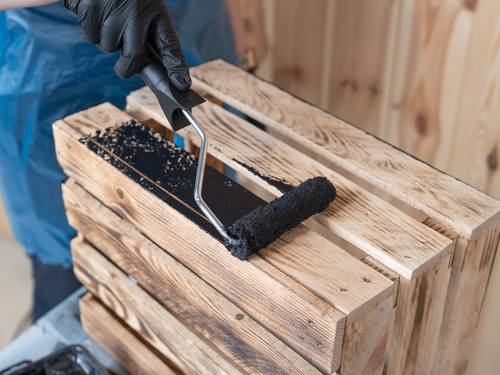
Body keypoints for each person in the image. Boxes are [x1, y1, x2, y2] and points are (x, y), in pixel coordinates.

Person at [0, 0, 237, 320]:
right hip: (50, 68)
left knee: (202, 256)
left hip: (190, 32)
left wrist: (246, 23)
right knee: (74, 287)